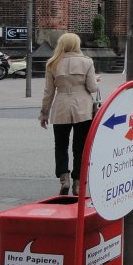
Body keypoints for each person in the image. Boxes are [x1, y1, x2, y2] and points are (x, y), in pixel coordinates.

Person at [39, 33, 98, 196]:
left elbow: (48, 92)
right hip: (83, 108)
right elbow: (92, 88)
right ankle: (78, 183)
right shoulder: (87, 61)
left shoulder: (52, 63)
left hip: (61, 107)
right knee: (80, 147)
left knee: (60, 145)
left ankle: (64, 178)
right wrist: (96, 80)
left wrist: (44, 113)